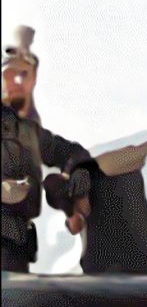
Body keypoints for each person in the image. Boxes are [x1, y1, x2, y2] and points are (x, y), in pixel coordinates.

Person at [1, 26, 93, 273]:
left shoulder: (30, 132)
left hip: (18, 248)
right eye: (9, 74)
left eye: (24, 74)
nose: (17, 81)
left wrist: (78, 174)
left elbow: (72, 153)